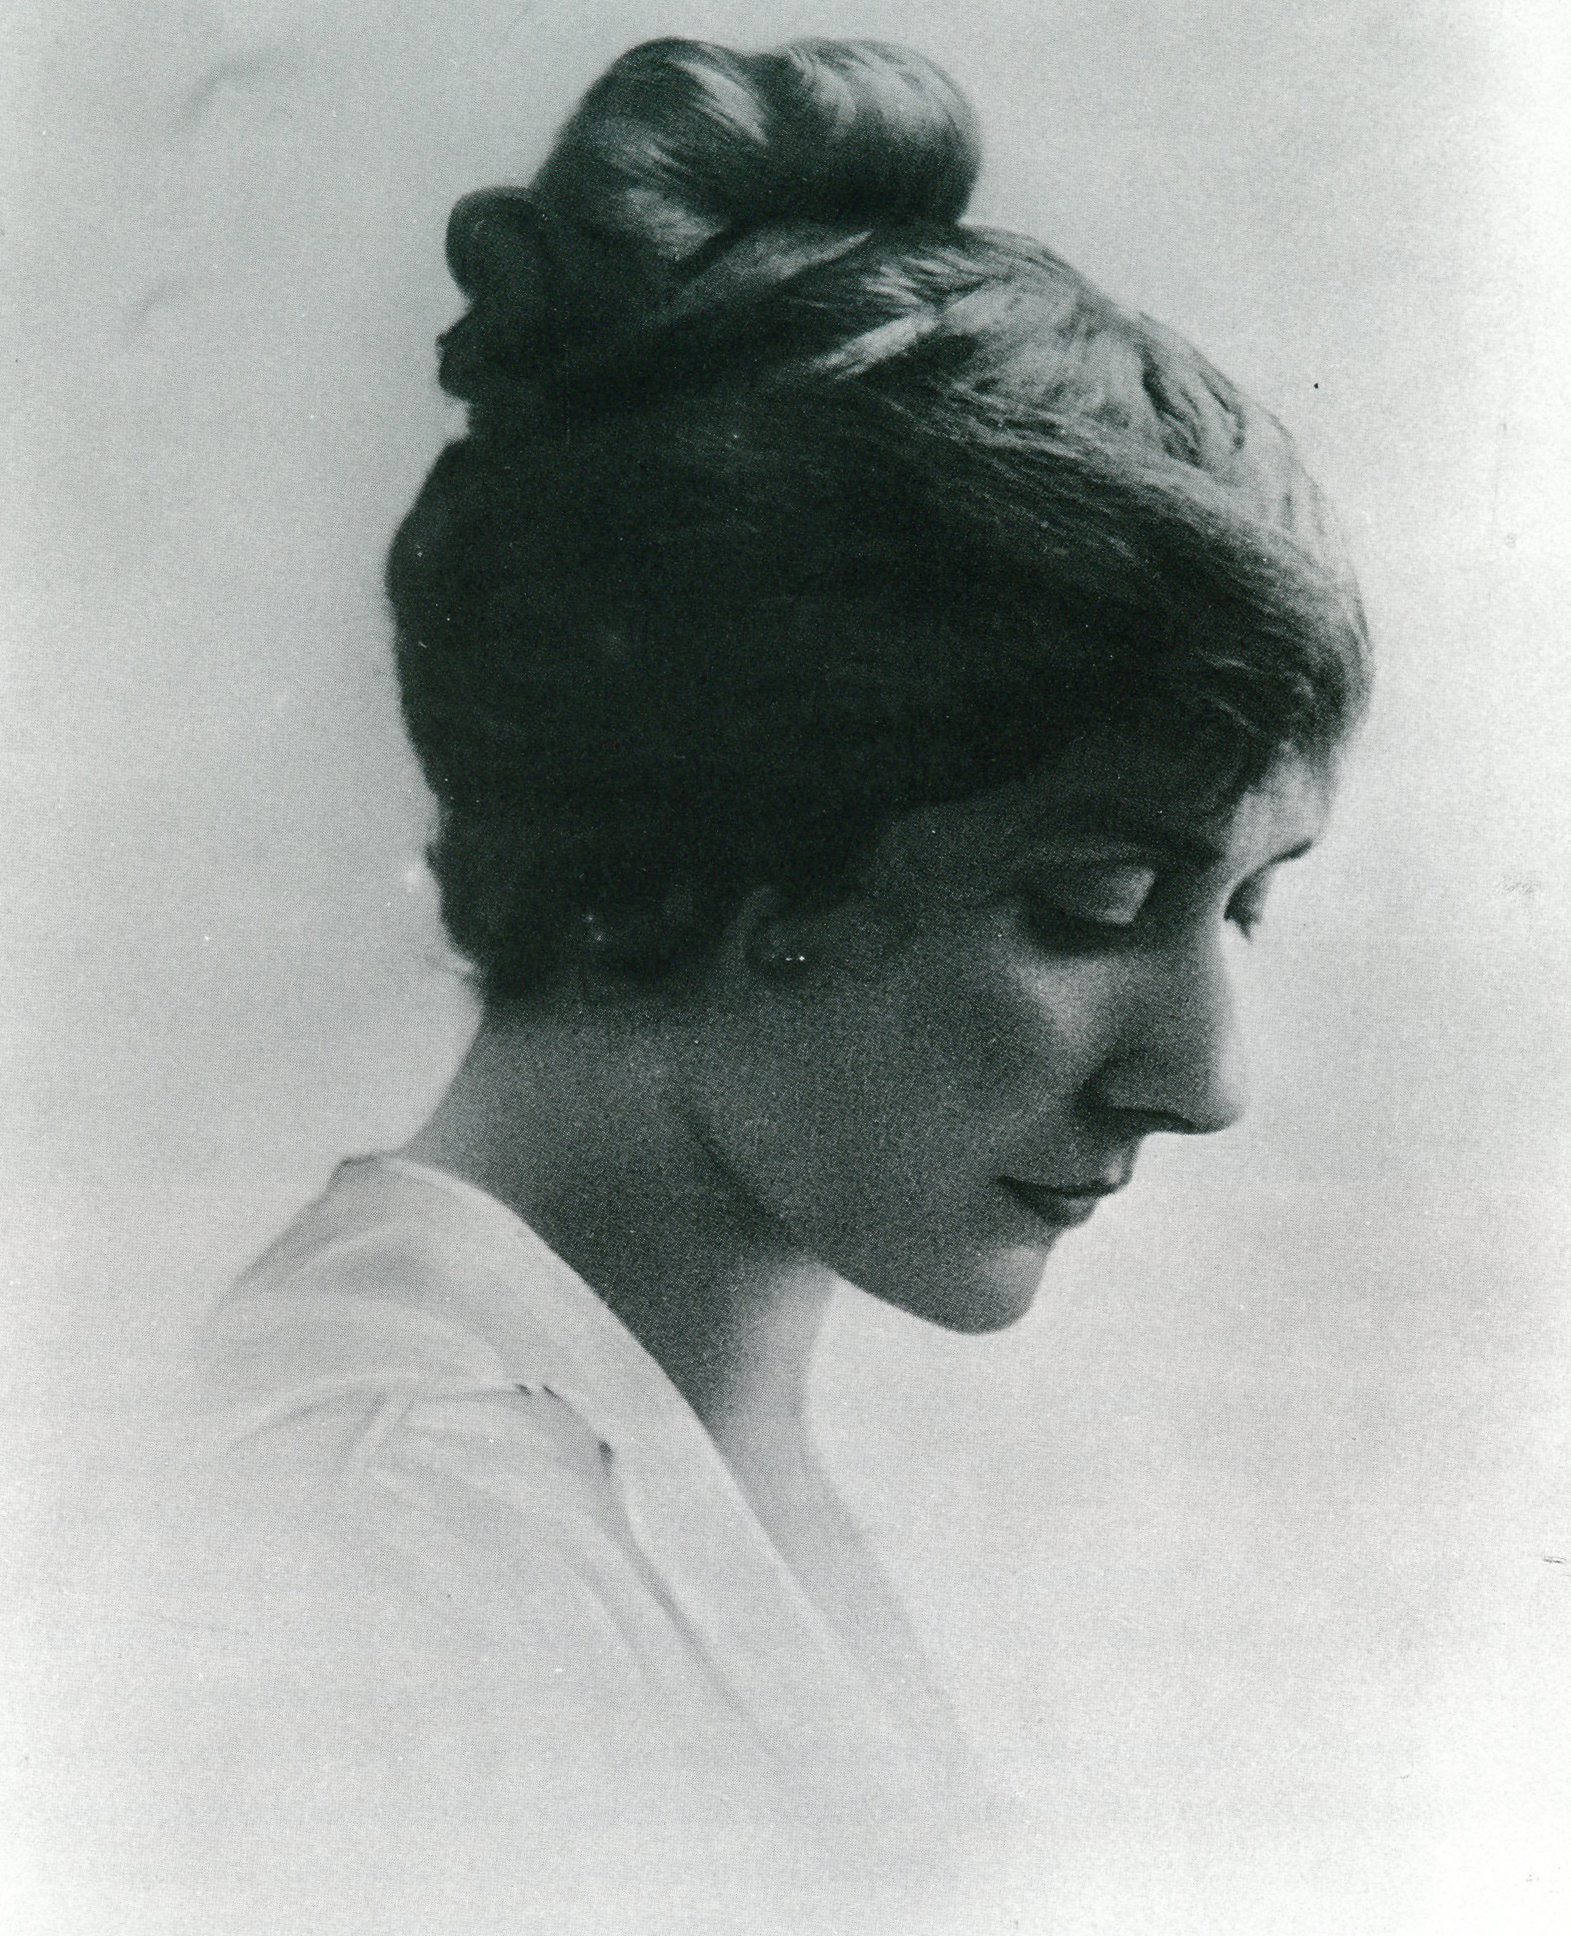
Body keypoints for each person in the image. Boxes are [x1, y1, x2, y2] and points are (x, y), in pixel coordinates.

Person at [170, 34, 1368, 1934]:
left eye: (1243, 908)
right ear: (722, 848)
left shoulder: (659, 1446)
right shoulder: (387, 1540)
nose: (1204, 1080)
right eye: (1094, 902)